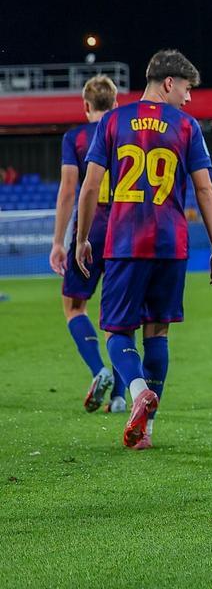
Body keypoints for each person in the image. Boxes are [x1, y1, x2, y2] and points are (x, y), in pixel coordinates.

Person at [75, 49, 212, 449]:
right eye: (188, 89)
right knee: (158, 333)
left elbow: (90, 186)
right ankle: (148, 429)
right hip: (170, 242)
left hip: (124, 241)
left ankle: (138, 389)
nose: (189, 99)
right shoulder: (187, 126)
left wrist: (82, 238)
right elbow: (205, 189)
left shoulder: (112, 121)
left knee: (117, 332)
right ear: (169, 82)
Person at [49, 75, 127, 413]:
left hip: (91, 229)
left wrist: (59, 240)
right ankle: (122, 397)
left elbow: (69, 190)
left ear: (86, 106)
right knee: (121, 317)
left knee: (74, 307)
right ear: (116, 104)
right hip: (126, 229)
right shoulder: (127, 131)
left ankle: (99, 370)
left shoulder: (75, 138)